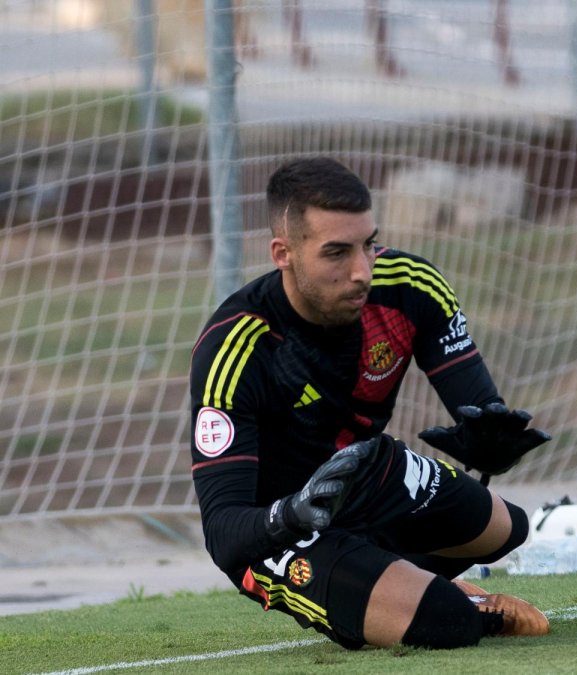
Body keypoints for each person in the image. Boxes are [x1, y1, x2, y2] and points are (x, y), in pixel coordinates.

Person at [188, 156, 552, 650]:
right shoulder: (237, 349)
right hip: (281, 529)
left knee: (507, 528)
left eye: (369, 244)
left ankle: (391, 582)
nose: (362, 271)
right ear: (284, 253)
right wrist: (291, 513)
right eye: (337, 252)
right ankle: (420, 598)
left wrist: (490, 440)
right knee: (448, 625)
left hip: (368, 475)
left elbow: (480, 407)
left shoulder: (408, 287)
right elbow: (224, 533)